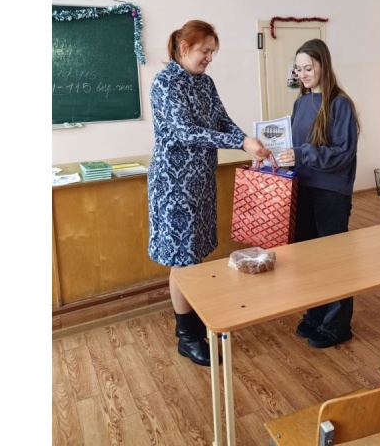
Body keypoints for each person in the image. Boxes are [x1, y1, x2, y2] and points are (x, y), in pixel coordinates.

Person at [148, 20, 271, 366]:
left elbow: (221, 121)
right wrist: (240, 143)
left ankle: (195, 321)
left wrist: (247, 140)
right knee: (183, 261)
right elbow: (185, 132)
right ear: (184, 48)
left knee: (196, 253)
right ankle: (187, 337)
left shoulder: (205, 83)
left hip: (200, 181)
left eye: (212, 52)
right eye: (205, 51)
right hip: (174, 184)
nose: (209, 59)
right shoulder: (166, 82)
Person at [275, 38, 360, 348]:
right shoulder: (300, 103)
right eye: (298, 69)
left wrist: (302, 154)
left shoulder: (340, 104)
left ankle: (337, 325)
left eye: (308, 68)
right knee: (307, 258)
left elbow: (343, 154)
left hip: (330, 193)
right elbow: (293, 146)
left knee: (334, 260)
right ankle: (315, 313)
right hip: (302, 188)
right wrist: (276, 154)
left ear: (324, 65)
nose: (303, 74)